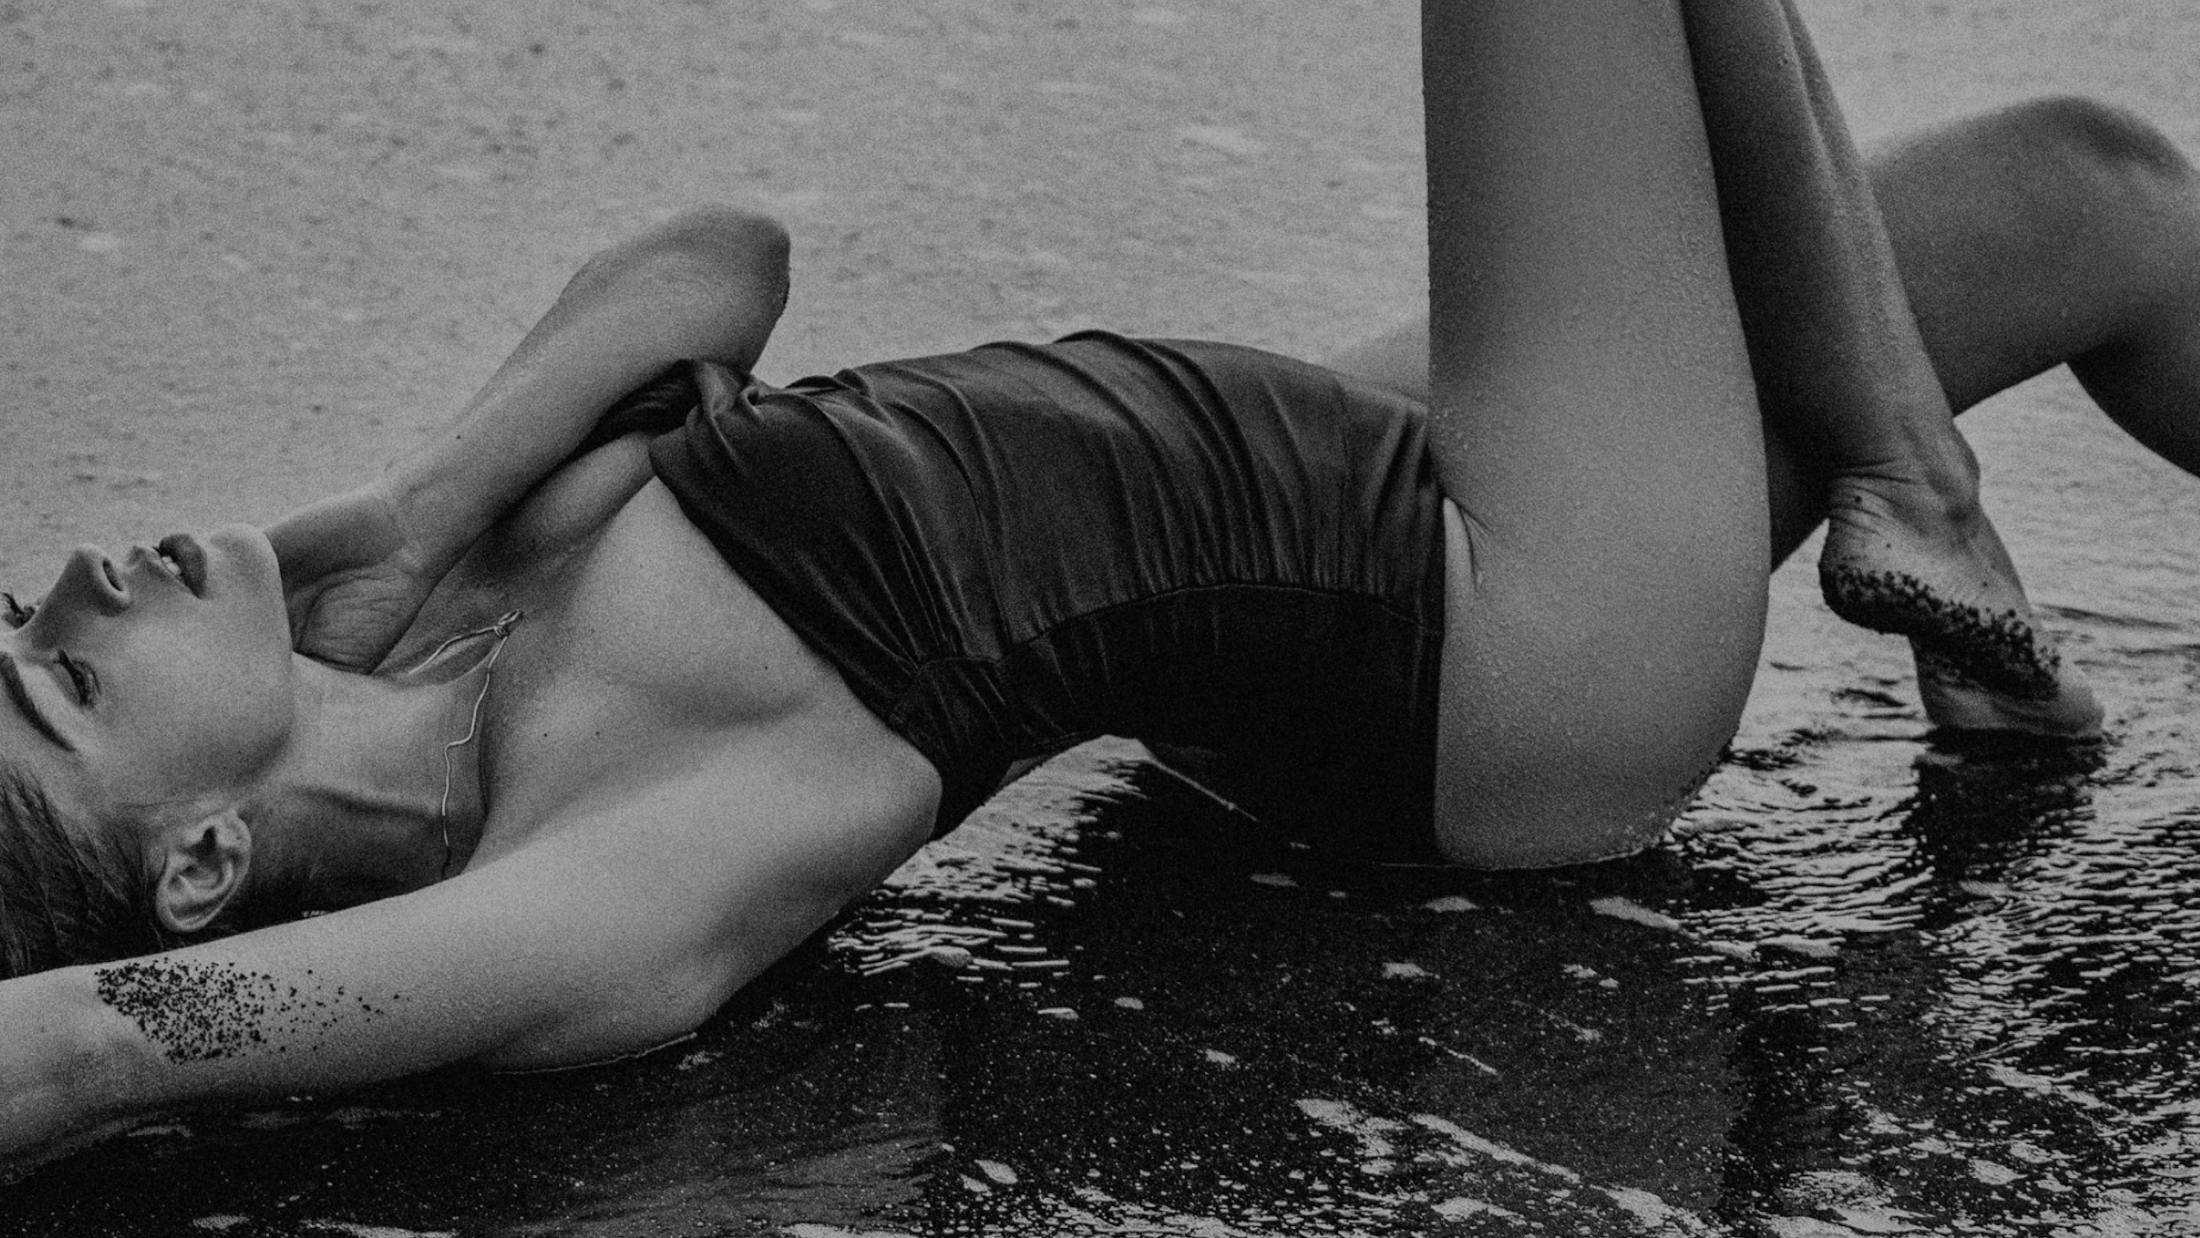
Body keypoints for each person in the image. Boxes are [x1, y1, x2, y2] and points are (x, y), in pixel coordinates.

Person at [0, 0, 2192, 1168]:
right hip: (1516, 632)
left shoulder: (448, 594)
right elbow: (93, 1043)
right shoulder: (603, 867)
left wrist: (409, 507)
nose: (67, 588)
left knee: (2091, 195)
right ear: (199, 864)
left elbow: (716, 257)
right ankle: (1905, 470)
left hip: (1363, 476)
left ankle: (1907, 468)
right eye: (59, 688)